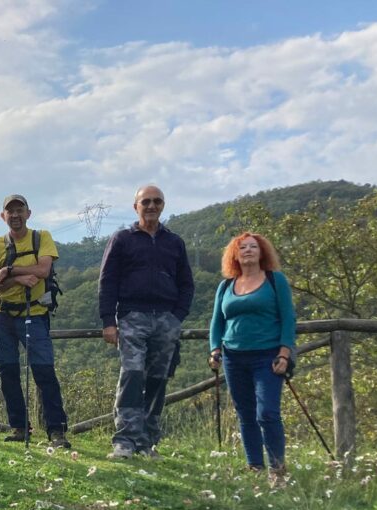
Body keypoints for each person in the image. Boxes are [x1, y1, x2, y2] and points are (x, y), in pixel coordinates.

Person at [98, 184, 194, 459]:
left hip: (166, 320)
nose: (151, 206)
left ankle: (147, 443)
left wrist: (177, 317)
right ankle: (125, 441)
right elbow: (107, 281)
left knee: (157, 381)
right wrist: (109, 321)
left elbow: (186, 284)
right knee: (132, 376)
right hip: (132, 316)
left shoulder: (174, 242)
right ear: (135, 207)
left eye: (157, 201)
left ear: (163, 205)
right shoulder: (122, 239)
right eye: (146, 202)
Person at [209, 232, 296, 484]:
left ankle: (277, 471)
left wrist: (284, 353)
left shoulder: (275, 280)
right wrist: (215, 349)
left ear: (262, 253)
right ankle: (255, 468)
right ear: (234, 255)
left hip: (268, 356)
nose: (248, 250)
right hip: (233, 358)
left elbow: (288, 318)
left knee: (267, 412)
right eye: (242, 247)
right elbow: (217, 322)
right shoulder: (226, 286)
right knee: (245, 413)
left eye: (253, 247)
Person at [0, 194, 70, 448]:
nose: (15, 215)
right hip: (3, 314)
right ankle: (19, 427)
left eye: (19, 210)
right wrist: (17, 279)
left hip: (35, 313)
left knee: (44, 372)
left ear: (28, 214)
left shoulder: (41, 237)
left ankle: (56, 430)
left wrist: (9, 270)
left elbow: (44, 270)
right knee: (7, 372)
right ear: (3, 216)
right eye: (10, 211)